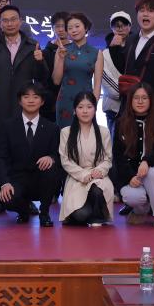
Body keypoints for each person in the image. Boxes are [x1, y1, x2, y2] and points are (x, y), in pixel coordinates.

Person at [0, 3, 48, 214]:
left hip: (25, 108)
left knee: (24, 152)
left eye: (13, 19)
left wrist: (41, 63)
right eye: (5, 20)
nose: (10, 23)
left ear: (20, 21)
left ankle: (26, 197)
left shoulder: (32, 46)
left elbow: (42, 78)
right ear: (0, 24)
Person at [0, 82, 63, 227]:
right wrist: (5, 183)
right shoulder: (7, 126)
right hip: (16, 179)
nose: (31, 100)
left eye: (35, 97)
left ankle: (44, 213)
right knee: (7, 198)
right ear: (20, 101)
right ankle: (23, 211)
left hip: (40, 179)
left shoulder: (52, 128)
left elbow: (58, 155)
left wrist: (51, 158)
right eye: (26, 97)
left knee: (52, 168)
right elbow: (1, 157)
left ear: (42, 101)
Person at [112, 83, 154, 228]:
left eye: (144, 98)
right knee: (132, 197)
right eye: (136, 98)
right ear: (130, 101)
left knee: (153, 172)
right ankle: (140, 210)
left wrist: (147, 161)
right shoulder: (121, 123)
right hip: (132, 177)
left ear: (150, 100)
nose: (140, 101)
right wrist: (130, 177)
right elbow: (118, 156)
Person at [59, 92, 114, 226]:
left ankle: (97, 214)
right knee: (81, 215)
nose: (85, 111)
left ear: (95, 109)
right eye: (80, 107)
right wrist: (84, 174)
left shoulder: (104, 132)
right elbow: (66, 160)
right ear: (74, 110)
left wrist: (99, 171)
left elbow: (108, 158)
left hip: (98, 176)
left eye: (89, 107)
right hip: (76, 177)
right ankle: (89, 211)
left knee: (97, 189)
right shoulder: (66, 132)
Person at [51, 12, 103, 128]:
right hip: (65, 101)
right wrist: (61, 58)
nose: (74, 30)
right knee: (64, 135)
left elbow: (97, 86)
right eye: (70, 28)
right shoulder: (62, 50)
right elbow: (56, 81)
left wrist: (92, 106)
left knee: (84, 136)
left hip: (86, 103)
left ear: (86, 28)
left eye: (77, 26)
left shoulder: (96, 53)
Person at [100, 11, 132, 135]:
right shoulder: (104, 53)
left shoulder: (138, 49)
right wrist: (126, 93)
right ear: (112, 28)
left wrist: (136, 96)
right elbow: (105, 78)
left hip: (136, 105)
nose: (120, 28)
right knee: (113, 142)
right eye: (116, 25)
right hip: (113, 109)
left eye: (124, 24)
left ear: (130, 26)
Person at [40, 11, 69, 121]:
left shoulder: (76, 50)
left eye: (64, 26)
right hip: (49, 105)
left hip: (72, 100)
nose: (61, 30)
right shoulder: (45, 53)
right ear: (52, 28)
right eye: (57, 26)